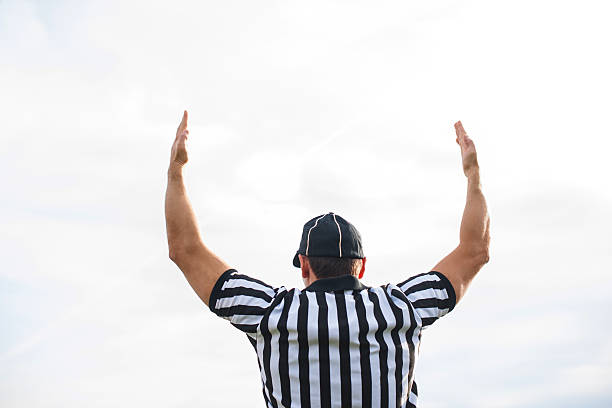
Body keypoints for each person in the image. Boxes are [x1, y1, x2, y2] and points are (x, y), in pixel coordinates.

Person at [165, 111, 491, 408]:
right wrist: (473, 175)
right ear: (361, 265)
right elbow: (474, 251)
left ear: (305, 265)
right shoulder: (400, 306)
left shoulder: (272, 311)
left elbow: (185, 249)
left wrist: (176, 172)